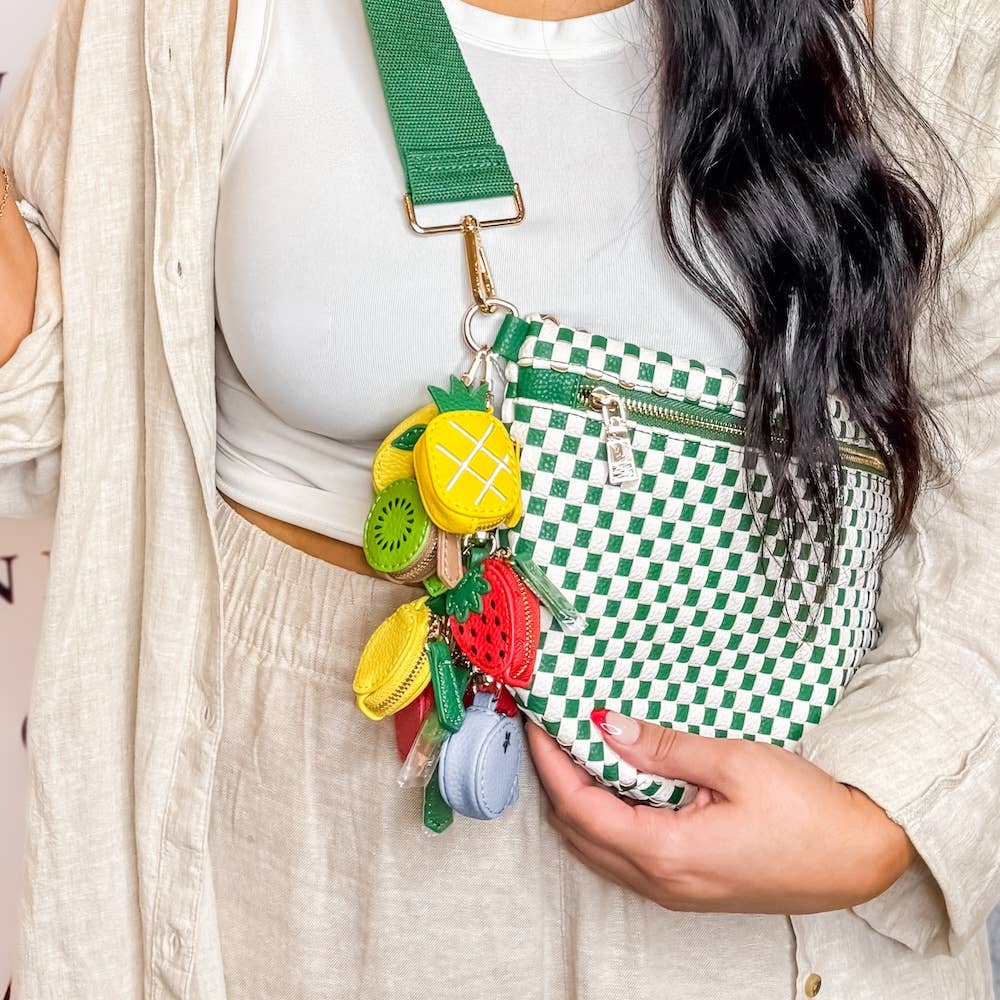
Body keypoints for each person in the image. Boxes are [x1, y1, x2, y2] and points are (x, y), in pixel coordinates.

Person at [0, 0, 997, 997]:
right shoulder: (168, 21)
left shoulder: (921, 26)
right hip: (288, 873)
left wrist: (879, 817)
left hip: (763, 911)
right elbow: (68, 423)